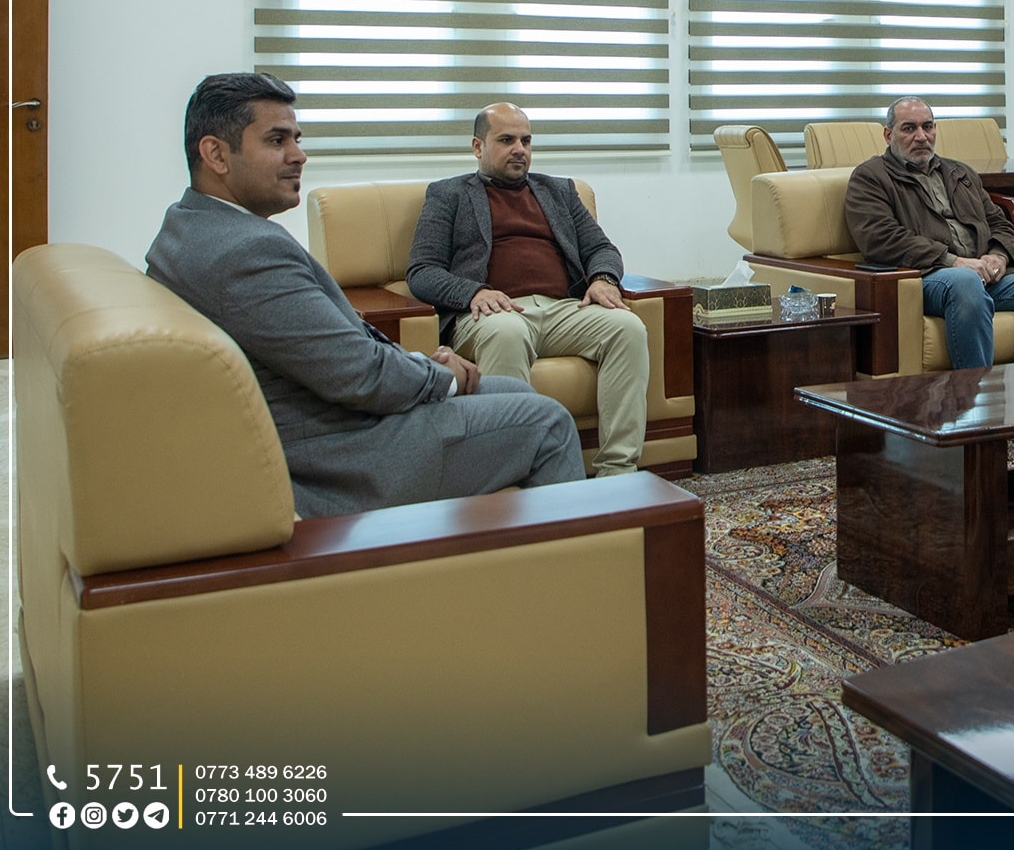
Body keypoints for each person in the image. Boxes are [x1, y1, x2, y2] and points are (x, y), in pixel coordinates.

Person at [146, 74, 583, 517]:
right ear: (216, 154)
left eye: (296, 139)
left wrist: (421, 365)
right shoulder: (247, 252)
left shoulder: (187, 226)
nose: (298, 155)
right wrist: (439, 376)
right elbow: (358, 375)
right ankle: (570, 557)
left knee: (511, 389)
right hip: (340, 452)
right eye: (277, 140)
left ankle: (491, 549)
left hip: (327, 418)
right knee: (548, 422)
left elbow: (336, 354)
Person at [407, 103, 651, 476]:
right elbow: (422, 271)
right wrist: (474, 292)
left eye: (526, 140)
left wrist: (603, 278)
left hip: (563, 309)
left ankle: (617, 471)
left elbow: (601, 249)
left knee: (627, 327)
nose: (519, 149)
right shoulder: (448, 194)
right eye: (506, 140)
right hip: (493, 313)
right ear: (477, 146)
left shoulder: (559, 191)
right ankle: (512, 476)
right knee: (507, 332)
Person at [845, 96, 1014, 369]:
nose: (921, 136)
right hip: (927, 277)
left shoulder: (959, 172)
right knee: (965, 282)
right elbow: (880, 238)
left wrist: (999, 256)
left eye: (927, 127)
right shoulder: (871, 177)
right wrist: (953, 261)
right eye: (909, 128)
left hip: (983, 275)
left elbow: (1001, 223)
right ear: (889, 135)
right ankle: (977, 390)